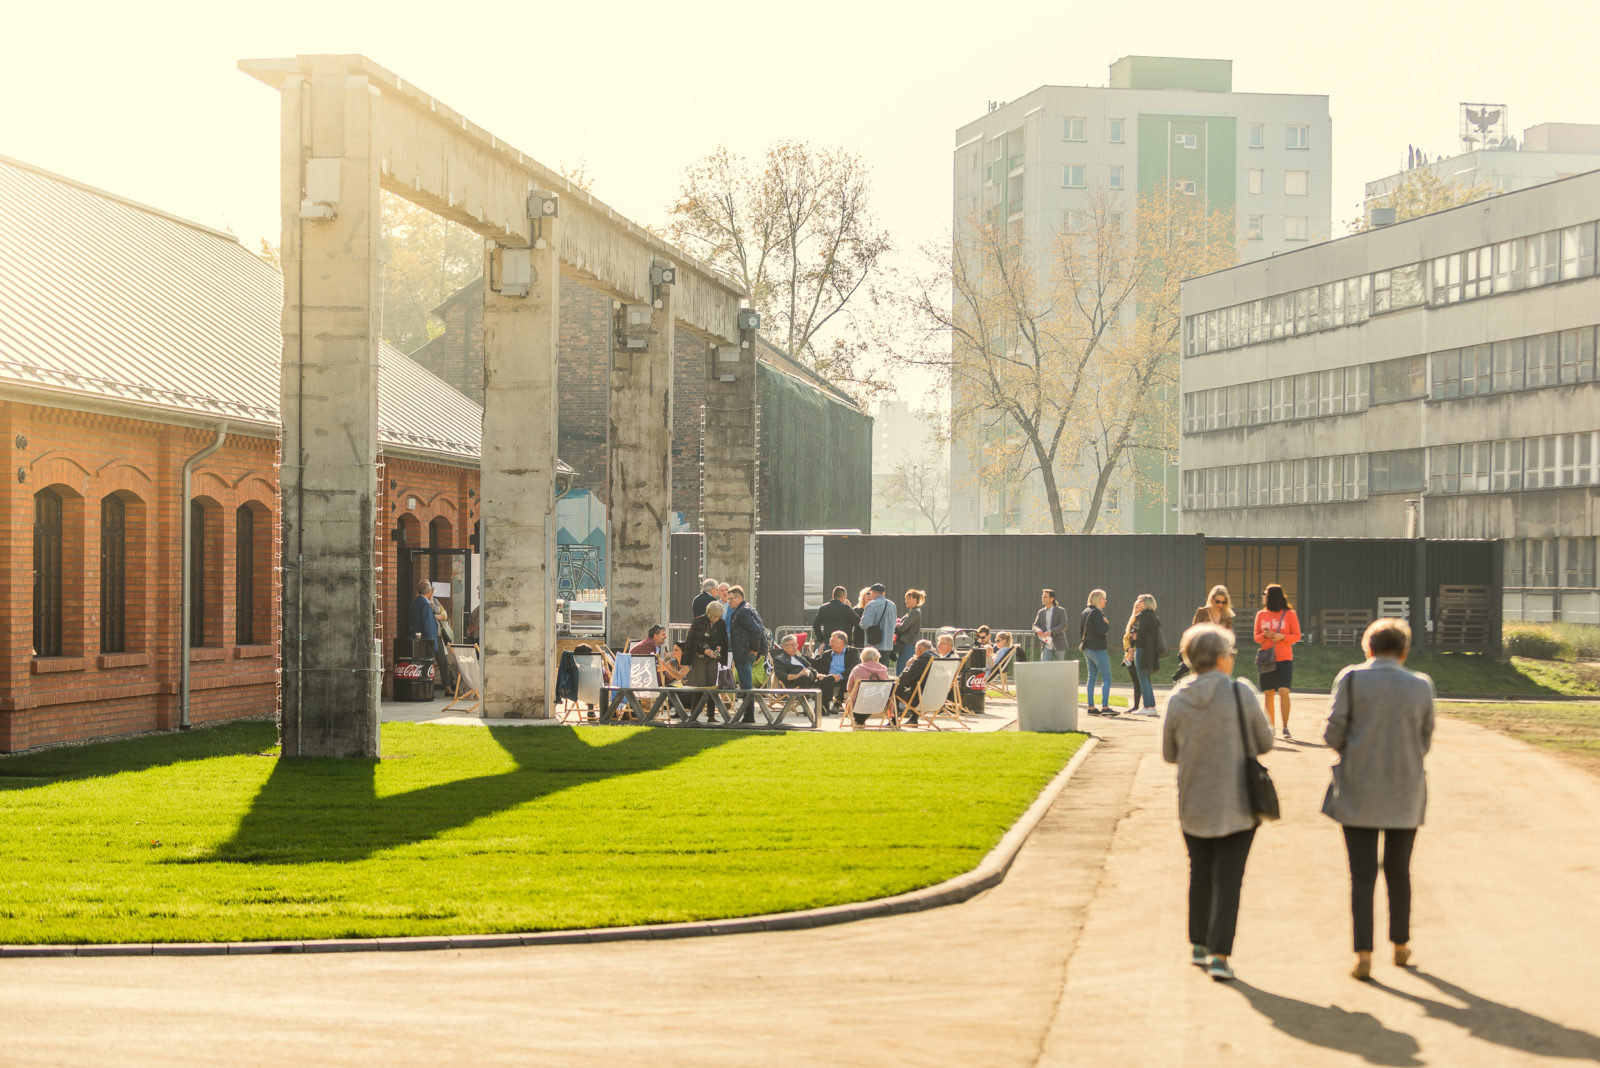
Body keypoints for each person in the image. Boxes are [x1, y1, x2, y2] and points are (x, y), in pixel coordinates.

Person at [1323, 617, 1435, 981]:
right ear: (1404, 651)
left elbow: (1332, 733)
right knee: (1399, 870)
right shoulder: (1420, 685)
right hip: (1405, 788)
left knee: (1362, 874)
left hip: (1359, 786)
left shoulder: (1351, 678)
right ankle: (1400, 945)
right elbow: (1425, 738)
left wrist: (1352, 749)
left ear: (1367, 647)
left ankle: (1363, 954)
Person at [1162, 623, 1274, 983]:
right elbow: (1265, 742)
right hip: (1238, 798)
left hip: (1194, 798)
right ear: (1222, 658)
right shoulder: (1241, 693)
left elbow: (1169, 753)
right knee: (1229, 879)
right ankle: (1220, 956)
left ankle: (1198, 943)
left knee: (1200, 871)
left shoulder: (1178, 698)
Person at [1254, 583, 1303, 740]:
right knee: (1268, 693)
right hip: (1267, 658)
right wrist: (1265, 635)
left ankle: (1285, 726)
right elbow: (1256, 637)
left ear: (1272, 597)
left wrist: (1283, 637)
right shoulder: (1261, 615)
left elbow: (1297, 635)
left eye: (1265, 594)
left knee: (1284, 691)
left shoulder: (1289, 614)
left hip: (1284, 658)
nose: (1263, 597)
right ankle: (1270, 727)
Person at [1174, 586, 1235, 683]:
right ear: (1212, 599)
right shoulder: (1202, 612)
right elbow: (1194, 630)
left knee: (1217, 680)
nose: (1220, 604)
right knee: (1201, 679)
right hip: (1203, 651)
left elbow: (1229, 635)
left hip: (1218, 652)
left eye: (1223, 602)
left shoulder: (1227, 616)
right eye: (1217, 601)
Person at [726, 585, 767, 720]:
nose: (728, 602)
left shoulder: (742, 611)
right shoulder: (748, 608)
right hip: (746, 653)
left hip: (744, 654)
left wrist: (754, 650)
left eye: (731, 599)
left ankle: (748, 716)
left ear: (738, 598)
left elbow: (756, 630)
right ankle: (748, 715)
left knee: (746, 687)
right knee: (746, 686)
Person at [684, 601, 728, 721]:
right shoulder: (698, 622)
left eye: (719, 616)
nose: (716, 619)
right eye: (714, 616)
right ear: (708, 613)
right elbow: (692, 642)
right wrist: (704, 650)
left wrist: (719, 647)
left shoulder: (721, 623)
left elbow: (723, 640)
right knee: (700, 686)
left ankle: (711, 715)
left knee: (712, 686)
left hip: (713, 658)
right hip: (698, 657)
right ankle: (694, 716)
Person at [807, 630, 861, 713]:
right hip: (829, 679)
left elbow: (854, 667)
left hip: (845, 678)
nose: (830, 644)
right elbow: (816, 664)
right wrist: (800, 656)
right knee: (828, 679)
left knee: (848, 678)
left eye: (832, 641)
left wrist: (840, 676)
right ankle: (825, 705)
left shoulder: (852, 652)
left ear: (841, 642)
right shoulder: (827, 654)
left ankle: (838, 703)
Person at [1127, 594, 1163, 715]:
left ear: (1147, 602)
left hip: (1142, 650)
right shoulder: (1153, 615)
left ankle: (1147, 707)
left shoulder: (1143, 615)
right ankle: (1151, 707)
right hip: (1150, 651)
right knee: (1146, 679)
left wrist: (1135, 636)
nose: (1137, 602)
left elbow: (1141, 635)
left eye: (1140, 601)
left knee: (1143, 679)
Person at [1080, 589, 1113, 716]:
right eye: (1104, 598)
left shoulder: (1085, 612)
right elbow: (1101, 631)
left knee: (1091, 678)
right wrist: (1106, 624)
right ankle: (1105, 707)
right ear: (1098, 599)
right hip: (1098, 649)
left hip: (1087, 648)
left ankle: (1091, 706)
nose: (1105, 601)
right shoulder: (1097, 613)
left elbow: (1081, 632)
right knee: (1107, 678)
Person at [843, 646, 893, 724]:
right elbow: (886, 688)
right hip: (880, 704)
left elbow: (849, 688)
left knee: (854, 698)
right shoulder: (883, 670)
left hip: (860, 704)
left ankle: (859, 721)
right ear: (877, 658)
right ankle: (860, 721)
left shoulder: (857, 669)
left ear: (862, 658)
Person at [894, 638, 935, 725]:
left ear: (919, 650)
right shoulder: (938, 660)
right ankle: (913, 719)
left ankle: (894, 720)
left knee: (894, 688)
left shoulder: (921, 661)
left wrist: (908, 666)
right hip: (936, 698)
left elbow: (903, 680)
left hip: (919, 698)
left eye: (915, 650)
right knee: (918, 687)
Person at [813, 585, 860, 651]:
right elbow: (857, 621)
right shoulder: (846, 608)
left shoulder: (823, 608)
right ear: (843, 597)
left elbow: (815, 625)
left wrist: (821, 639)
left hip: (829, 642)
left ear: (833, 596)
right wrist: (850, 608)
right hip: (844, 643)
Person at [860, 583, 897, 661]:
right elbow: (894, 624)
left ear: (874, 593)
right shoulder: (892, 605)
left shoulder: (871, 605)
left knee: (871, 667)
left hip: (873, 646)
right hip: (887, 645)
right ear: (883, 593)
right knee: (883, 667)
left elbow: (865, 624)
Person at [894, 589, 925, 673]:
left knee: (902, 670)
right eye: (905, 599)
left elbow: (903, 627)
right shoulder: (912, 612)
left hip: (909, 644)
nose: (906, 601)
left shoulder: (915, 612)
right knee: (901, 668)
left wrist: (897, 626)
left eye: (908, 599)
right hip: (906, 645)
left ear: (915, 600)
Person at [1032, 588, 1068, 661]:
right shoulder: (1041, 612)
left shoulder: (1060, 610)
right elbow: (1035, 625)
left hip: (1059, 645)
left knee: (1059, 666)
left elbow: (1063, 625)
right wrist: (1037, 629)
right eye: (1042, 597)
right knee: (1044, 665)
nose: (1043, 599)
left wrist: (1051, 632)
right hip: (1046, 645)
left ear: (1052, 599)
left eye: (1045, 597)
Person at [989, 631, 1016, 695]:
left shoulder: (1002, 650)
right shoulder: (1005, 650)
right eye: (995, 641)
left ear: (1005, 641)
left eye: (998, 641)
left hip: (989, 672)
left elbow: (994, 663)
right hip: (992, 670)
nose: (996, 643)